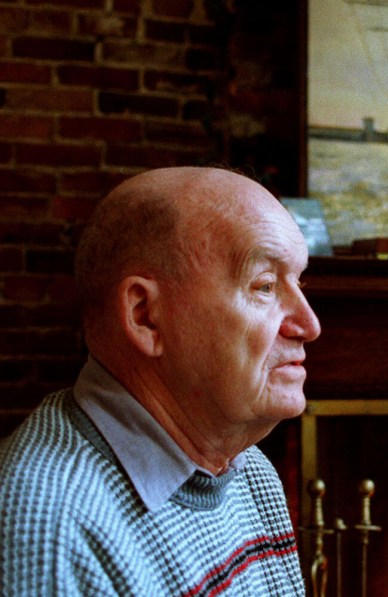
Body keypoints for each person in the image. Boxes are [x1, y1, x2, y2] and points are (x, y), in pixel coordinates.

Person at [0, 167, 321, 595]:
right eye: (264, 286)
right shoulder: (49, 534)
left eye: (297, 283)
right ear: (145, 317)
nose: (309, 324)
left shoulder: (248, 470)